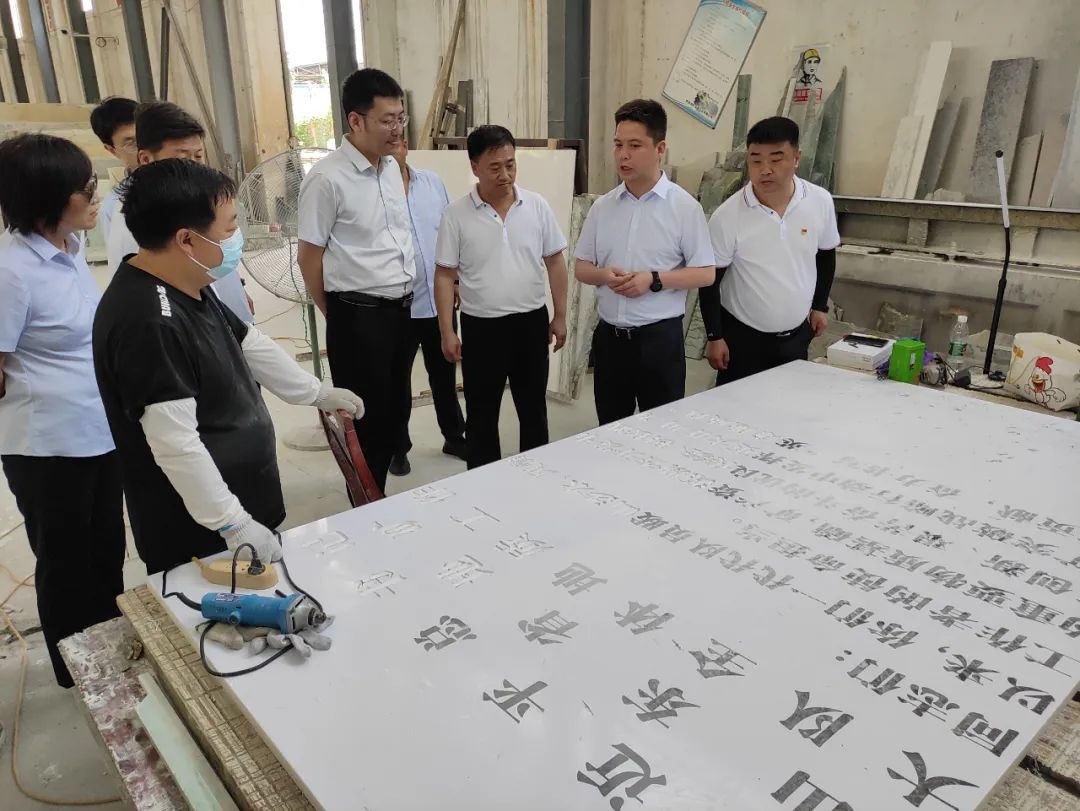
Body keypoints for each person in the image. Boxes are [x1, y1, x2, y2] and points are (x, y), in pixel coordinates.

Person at [93, 159, 363, 575]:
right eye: (230, 227)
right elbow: (176, 443)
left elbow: (249, 342)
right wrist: (231, 523)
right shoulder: (148, 322)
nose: (237, 238)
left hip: (241, 504)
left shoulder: (185, 282)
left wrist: (316, 393)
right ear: (187, 240)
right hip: (200, 533)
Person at [0, 133, 124, 688]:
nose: (95, 196)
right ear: (48, 197)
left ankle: (111, 649)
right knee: (66, 563)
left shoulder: (71, 250)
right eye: (84, 188)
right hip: (46, 446)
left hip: (96, 430)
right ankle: (78, 670)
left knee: (106, 551)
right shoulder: (11, 271)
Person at [298, 68, 416, 492]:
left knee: (396, 413)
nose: (397, 128)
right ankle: (367, 503)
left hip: (401, 311)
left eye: (400, 118)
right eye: (387, 120)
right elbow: (308, 257)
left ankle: (380, 497)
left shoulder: (391, 168)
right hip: (358, 316)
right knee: (365, 420)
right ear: (355, 120)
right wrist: (339, 312)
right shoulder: (326, 179)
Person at [434, 125, 568, 469]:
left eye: (511, 164)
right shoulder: (456, 215)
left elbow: (555, 261)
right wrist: (447, 331)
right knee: (481, 414)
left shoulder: (536, 206)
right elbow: (445, 275)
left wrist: (560, 315)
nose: (505, 175)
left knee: (533, 410)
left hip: (530, 324)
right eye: (495, 167)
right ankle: (483, 483)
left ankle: (536, 476)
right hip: (482, 328)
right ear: (474, 166)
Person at [574, 99, 714, 424]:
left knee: (661, 432)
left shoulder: (684, 208)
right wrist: (604, 275)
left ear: (660, 148)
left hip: (659, 342)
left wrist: (653, 279)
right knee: (611, 430)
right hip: (610, 341)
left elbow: (705, 273)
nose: (623, 155)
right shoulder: (602, 208)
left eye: (634, 146)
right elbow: (582, 269)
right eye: (618, 145)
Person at [700, 116, 840, 386]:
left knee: (787, 403)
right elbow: (710, 281)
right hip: (743, 338)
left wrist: (819, 306)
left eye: (776, 159)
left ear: (796, 158)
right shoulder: (728, 215)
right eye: (756, 161)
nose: (765, 170)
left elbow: (825, 255)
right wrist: (715, 336)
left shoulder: (819, 201)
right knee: (735, 405)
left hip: (797, 335)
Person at [106, 101, 253, 324]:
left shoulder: (190, 200)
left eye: (198, 156)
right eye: (184, 158)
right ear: (146, 159)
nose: (195, 168)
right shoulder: (142, 220)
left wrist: (236, 288)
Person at [387, 140, 466, 477]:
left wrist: (457, 280)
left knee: (445, 374)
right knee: (397, 383)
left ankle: (454, 436)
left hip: (439, 301)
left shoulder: (432, 183)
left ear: (405, 146)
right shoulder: (375, 193)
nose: (390, 150)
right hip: (399, 306)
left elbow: (450, 234)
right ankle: (397, 448)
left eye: (395, 143)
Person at [89, 96, 138, 239]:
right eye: (131, 143)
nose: (144, 148)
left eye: (148, 136)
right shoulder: (114, 206)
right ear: (112, 150)